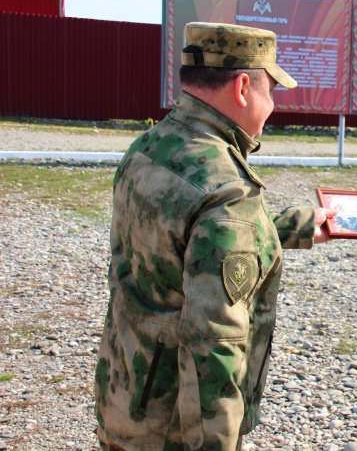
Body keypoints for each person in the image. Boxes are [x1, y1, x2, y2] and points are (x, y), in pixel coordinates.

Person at [94, 22, 336, 450]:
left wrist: (292, 227)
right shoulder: (227, 188)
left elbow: (177, 245)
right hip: (175, 429)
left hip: (125, 395)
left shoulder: (151, 145)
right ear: (244, 87)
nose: (273, 106)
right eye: (272, 91)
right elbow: (213, 345)